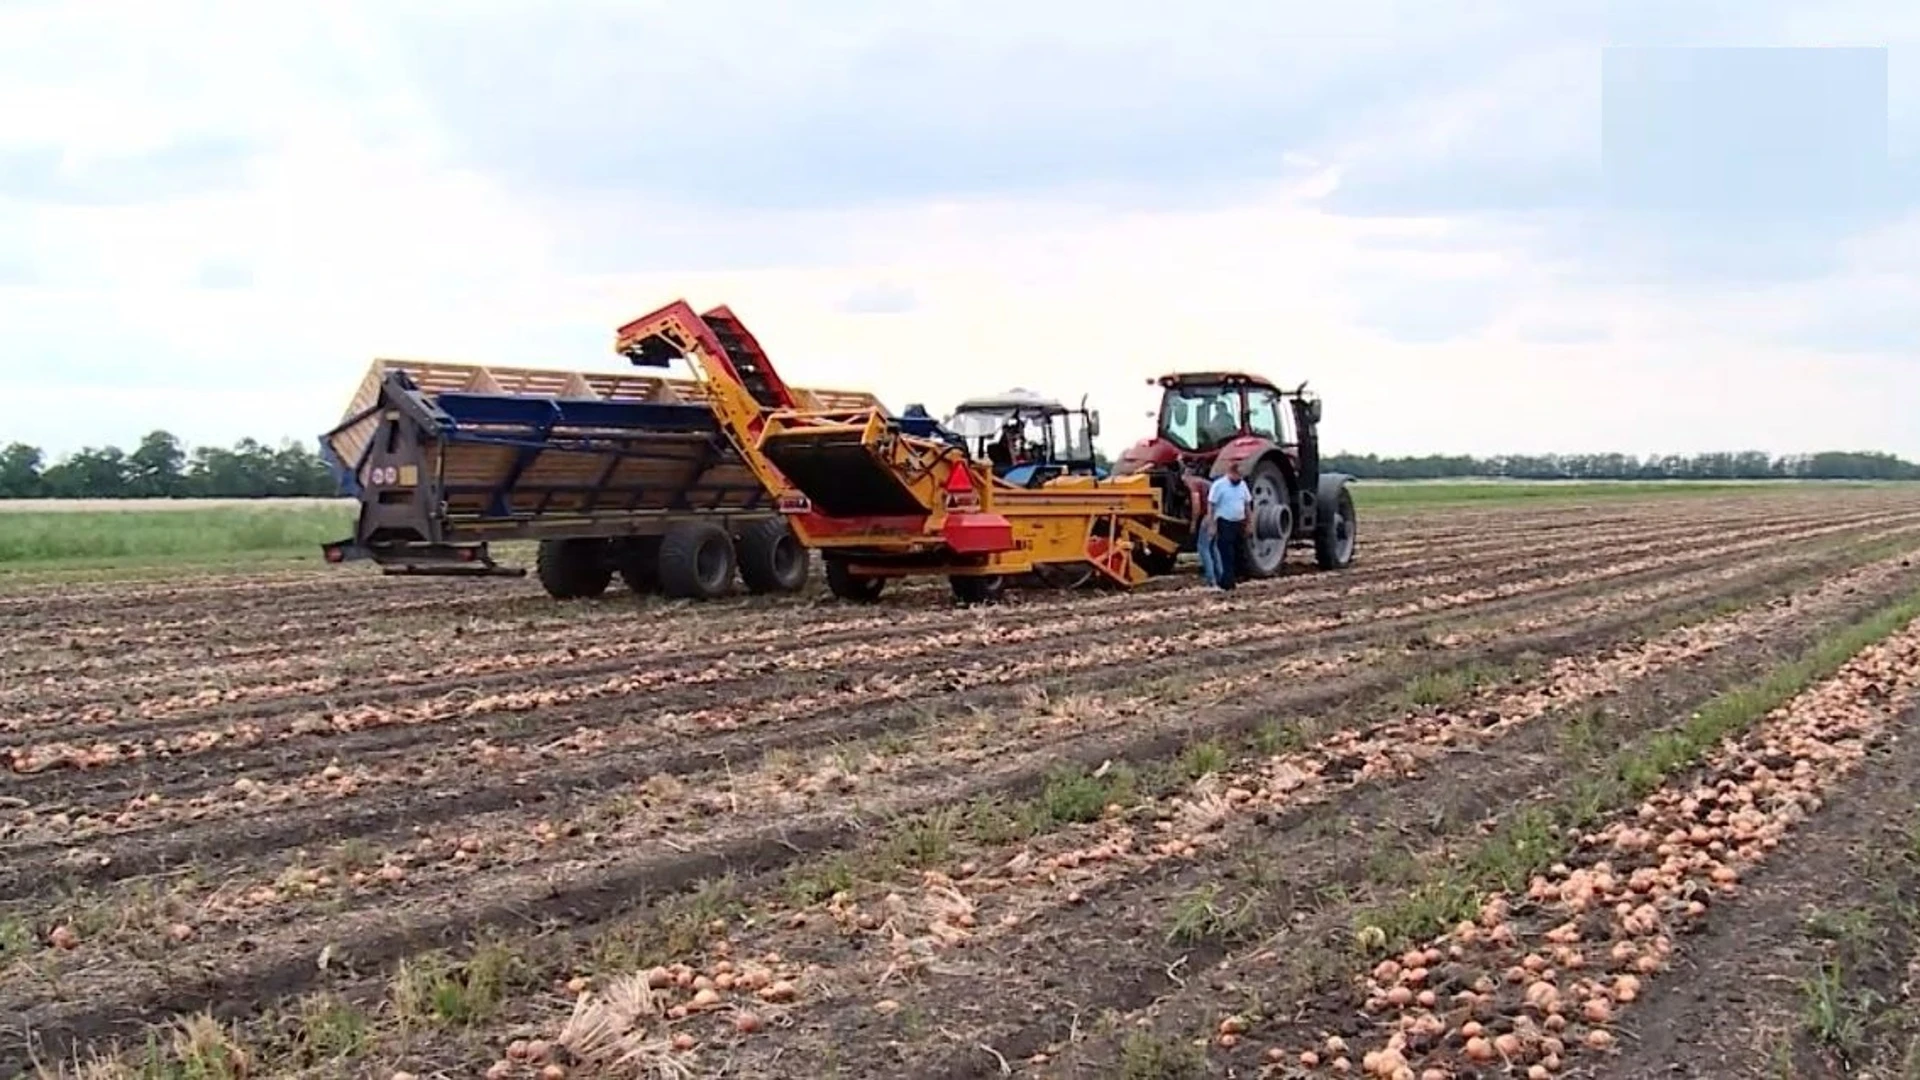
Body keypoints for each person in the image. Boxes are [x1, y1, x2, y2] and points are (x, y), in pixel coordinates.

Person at [1205, 461, 1250, 589]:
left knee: (1238, 552)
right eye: (1237, 476)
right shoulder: (1219, 486)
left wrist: (1249, 523)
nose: (1239, 479)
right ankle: (1228, 582)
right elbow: (1211, 505)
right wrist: (1212, 525)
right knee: (1226, 552)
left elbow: (1247, 505)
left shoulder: (1242, 485)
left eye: (1241, 477)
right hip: (1225, 522)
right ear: (1230, 473)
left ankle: (1235, 577)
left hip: (1239, 522)